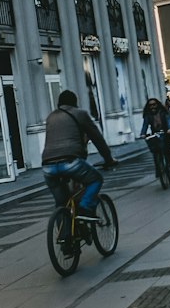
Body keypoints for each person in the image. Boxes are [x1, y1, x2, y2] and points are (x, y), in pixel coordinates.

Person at [41, 89, 115, 224]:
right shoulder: (80, 114)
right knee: (96, 179)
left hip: (47, 166)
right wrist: (108, 159)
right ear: (75, 102)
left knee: (61, 203)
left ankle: (64, 239)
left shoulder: (51, 117)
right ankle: (85, 206)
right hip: (70, 161)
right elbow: (97, 138)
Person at [141, 96, 170, 175]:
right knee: (156, 152)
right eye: (150, 105)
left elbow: (168, 121)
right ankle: (159, 170)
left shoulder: (163, 112)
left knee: (167, 149)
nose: (152, 107)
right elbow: (145, 125)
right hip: (155, 134)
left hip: (165, 132)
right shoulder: (148, 115)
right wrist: (143, 133)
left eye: (154, 105)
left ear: (157, 105)